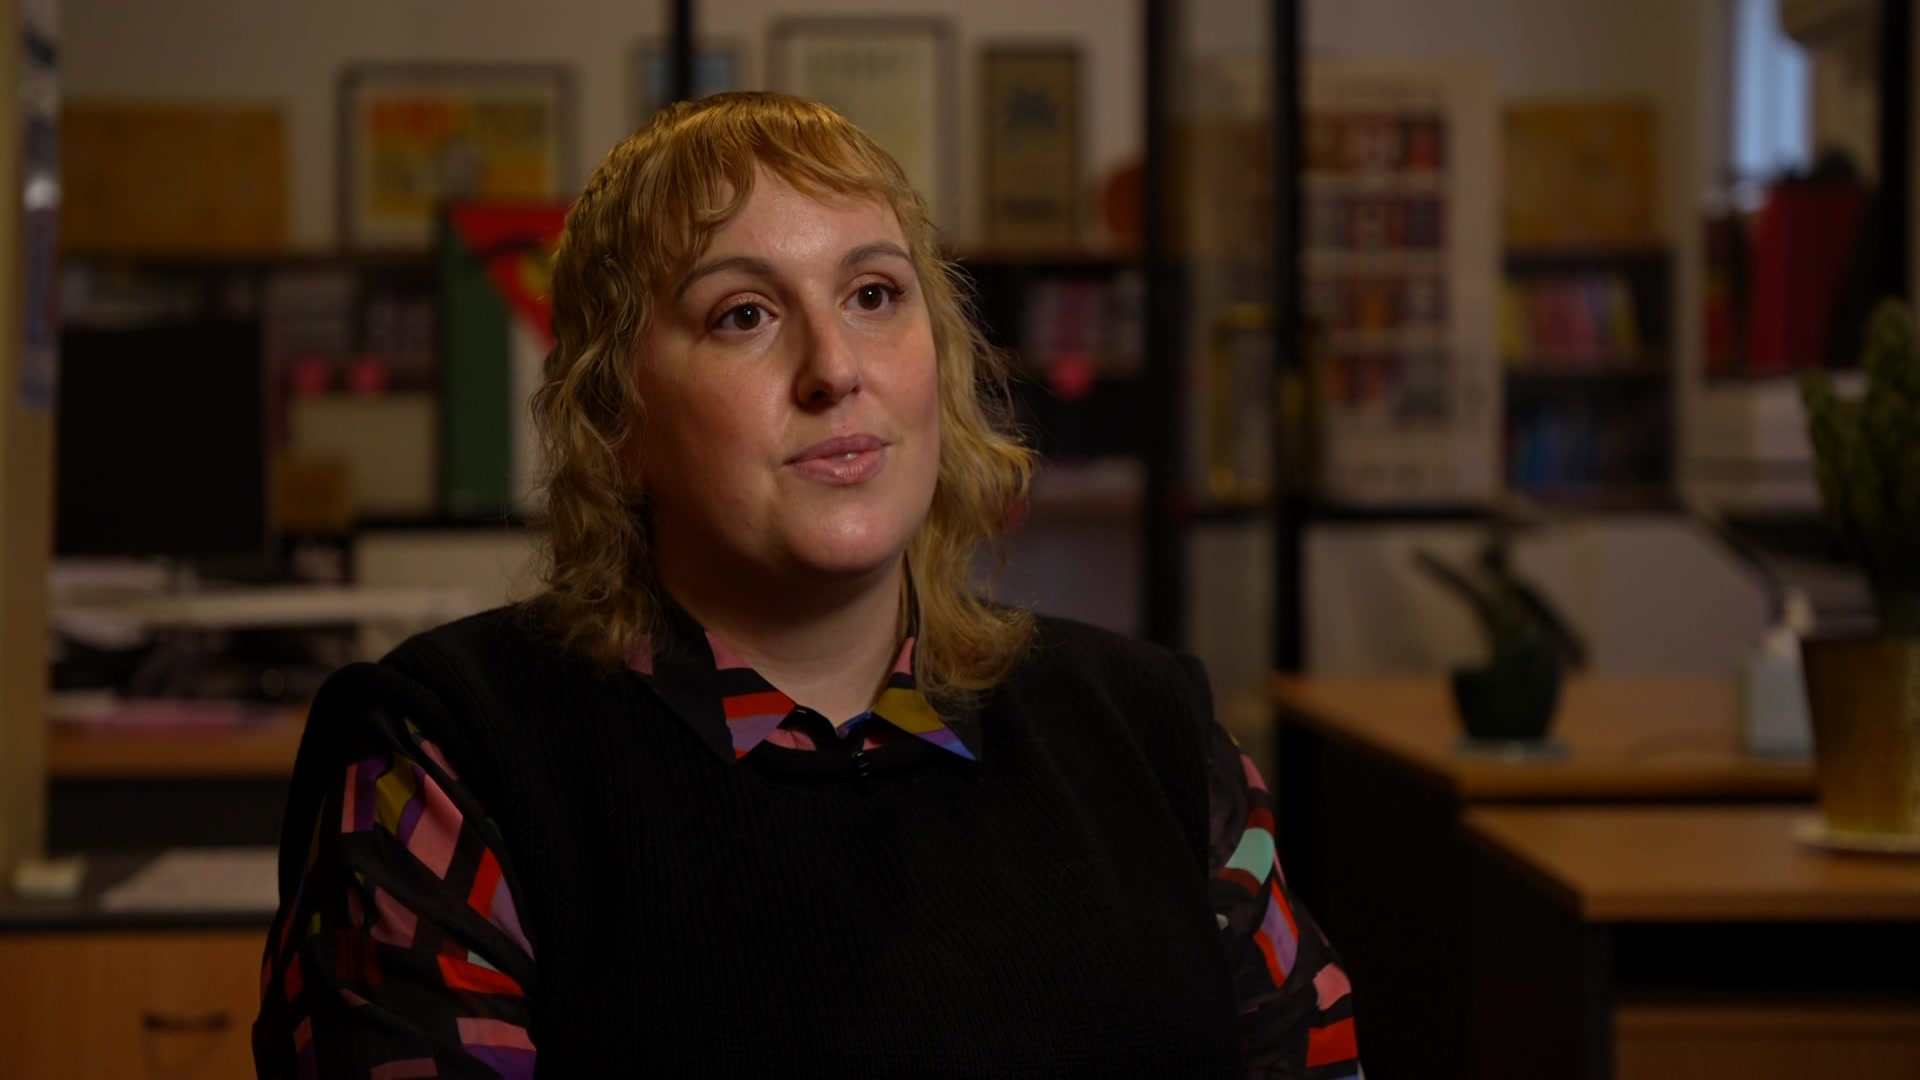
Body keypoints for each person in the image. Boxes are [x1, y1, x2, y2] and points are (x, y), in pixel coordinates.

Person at [253, 91, 1358, 1078]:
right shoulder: (448, 754)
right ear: (616, 421)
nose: (836, 367)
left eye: (875, 294)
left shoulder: (1153, 730)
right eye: (744, 313)